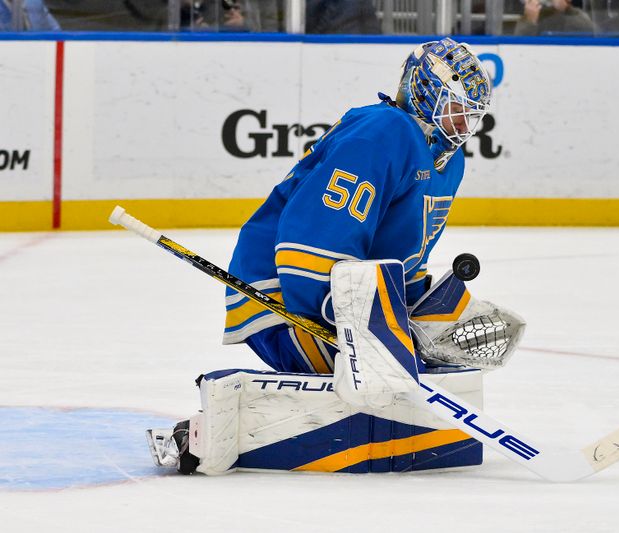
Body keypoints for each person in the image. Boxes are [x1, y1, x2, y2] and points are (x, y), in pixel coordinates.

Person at [146, 38, 530, 477]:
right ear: (424, 92)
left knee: (414, 376)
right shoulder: (384, 130)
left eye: (473, 114)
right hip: (285, 299)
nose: (465, 123)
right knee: (387, 382)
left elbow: (400, 262)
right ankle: (208, 432)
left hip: (354, 299)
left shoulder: (449, 161)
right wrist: (344, 315)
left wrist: (434, 311)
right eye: (456, 106)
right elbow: (307, 239)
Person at [514, 0, 596, 36]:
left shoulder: (576, 14)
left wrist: (566, 9)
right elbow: (517, 42)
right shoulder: (535, 14)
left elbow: (592, 32)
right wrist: (531, 20)